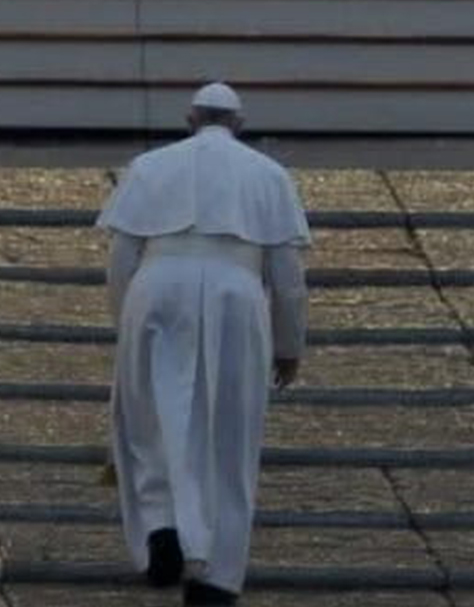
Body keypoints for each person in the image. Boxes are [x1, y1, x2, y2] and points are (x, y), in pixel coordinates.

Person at [98, 82, 310, 605]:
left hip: (156, 283)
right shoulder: (268, 175)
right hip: (235, 291)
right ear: (238, 123)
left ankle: (161, 528)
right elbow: (287, 277)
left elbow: (121, 259)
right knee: (228, 432)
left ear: (190, 118)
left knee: (149, 419)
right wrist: (290, 345)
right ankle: (216, 573)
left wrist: (124, 326)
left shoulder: (150, 167)